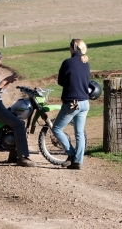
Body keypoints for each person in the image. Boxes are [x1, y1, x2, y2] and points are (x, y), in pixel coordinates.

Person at [0, 49, 36, 167]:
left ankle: (13, 155)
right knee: (18, 124)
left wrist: (8, 82)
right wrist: (5, 80)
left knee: (13, 119)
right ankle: (23, 157)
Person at [52, 39, 90, 170]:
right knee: (79, 133)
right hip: (85, 102)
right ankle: (78, 162)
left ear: (73, 48)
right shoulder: (86, 63)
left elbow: (61, 81)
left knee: (56, 128)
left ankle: (71, 154)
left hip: (72, 103)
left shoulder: (67, 62)